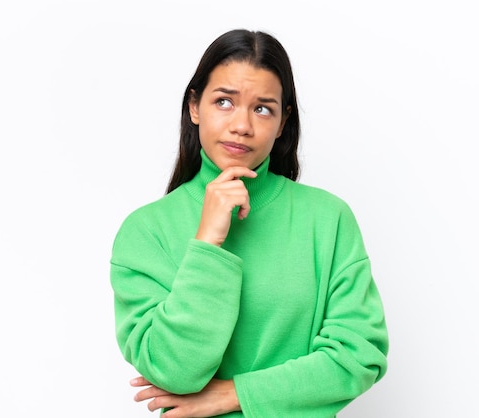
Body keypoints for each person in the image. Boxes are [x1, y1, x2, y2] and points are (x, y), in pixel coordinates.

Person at [110, 29, 388, 417]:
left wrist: (232, 394)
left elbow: (360, 355)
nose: (242, 125)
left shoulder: (327, 219)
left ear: (282, 120)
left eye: (262, 108)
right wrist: (207, 242)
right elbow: (173, 371)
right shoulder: (146, 231)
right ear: (194, 106)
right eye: (224, 101)